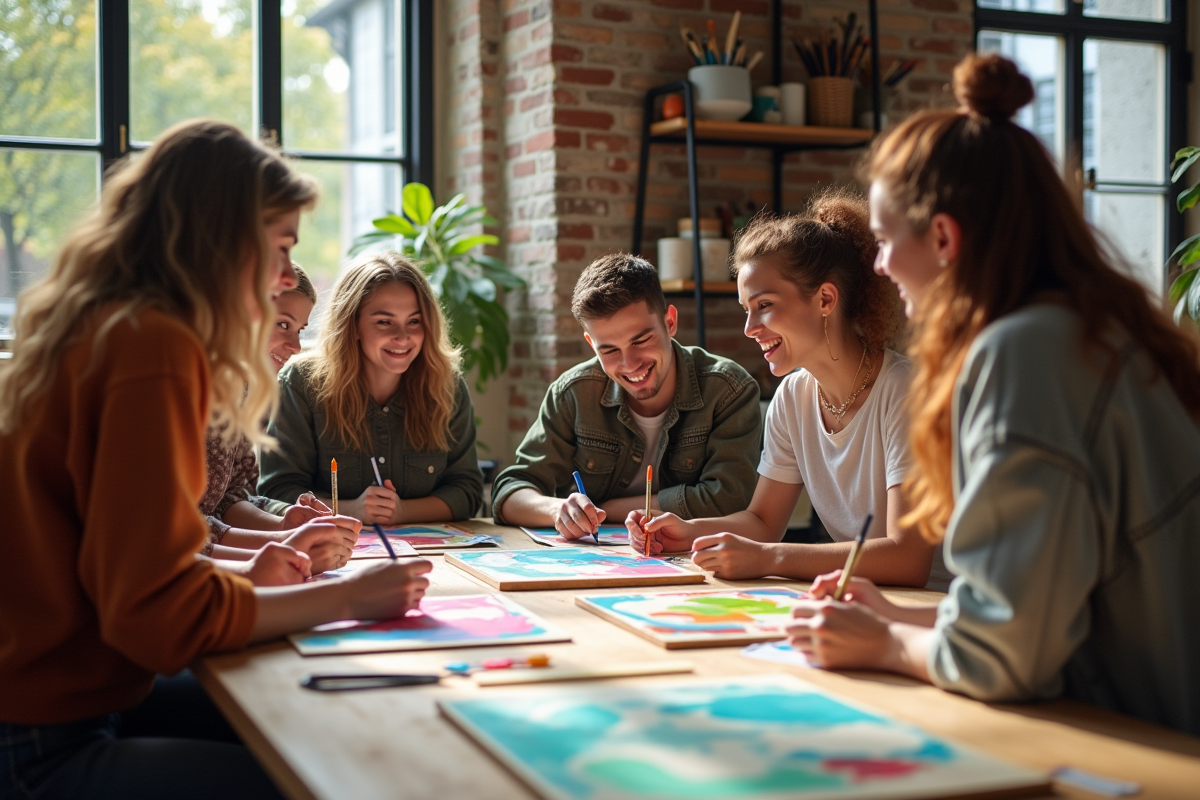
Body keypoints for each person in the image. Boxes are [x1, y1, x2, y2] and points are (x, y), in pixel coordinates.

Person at [0, 119, 431, 800]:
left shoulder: (103, 324)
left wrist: (260, 566)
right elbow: (158, 618)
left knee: (315, 721)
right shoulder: (154, 348)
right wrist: (344, 598)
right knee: (340, 775)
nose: (287, 277)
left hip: (63, 695)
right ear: (222, 238)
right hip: (39, 741)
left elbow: (130, 565)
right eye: (282, 249)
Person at [785, 54, 1200, 736]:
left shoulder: (1024, 353)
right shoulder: (1086, 326)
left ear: (944, 238)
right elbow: (1034, 609)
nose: (881, 266)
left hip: (1150, 744)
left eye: (887, 241)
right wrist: (894, 614)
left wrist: (884, 644)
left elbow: (1002, 656)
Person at [629, 191, 949, 589]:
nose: (749, 328)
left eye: (764, 305)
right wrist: (687, 530)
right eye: (747, 309)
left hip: (940, 609)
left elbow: (907, 558)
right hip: (866, 600)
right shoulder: (793, 396)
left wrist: (770, 557)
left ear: (825, 299)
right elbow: (762, 521)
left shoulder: (905, 392)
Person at [491, 253, 762, 538]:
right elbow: (509, 492)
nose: (630, 364)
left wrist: (607, 508)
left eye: (641, 340)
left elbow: (729, 500)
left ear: (670, 322)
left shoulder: (729, 389)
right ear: (591, 344)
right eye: (608, 350)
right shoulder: (573, 393)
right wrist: (558, 510)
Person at [259, 252, 484, 524]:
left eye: (414, 321)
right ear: (352, 325)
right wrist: (350, 510)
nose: (402, 336)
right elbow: (277, 492)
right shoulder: (301, 384)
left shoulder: (448, 387)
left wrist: (402, 512)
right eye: (384, 322)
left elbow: (468, 491)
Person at [201, 264, 352, 585]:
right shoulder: (191, 387)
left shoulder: (246, 389)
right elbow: (169, 531)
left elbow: (226, 498)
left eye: (299, 330)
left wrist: (283, 524)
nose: (296, 346)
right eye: (283, 324)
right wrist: (286, 547)